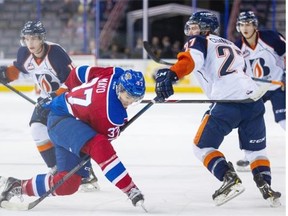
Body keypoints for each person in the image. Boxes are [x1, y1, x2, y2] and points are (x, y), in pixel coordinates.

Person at [154, 11, 281, 207]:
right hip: (253, 101)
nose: (192, 30)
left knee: (201, 147)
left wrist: (172, 74)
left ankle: (228, 178)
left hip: (227, 103)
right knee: (256, 151)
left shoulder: (198, 41)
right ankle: (267, 186)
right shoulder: (231, 45)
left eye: (196, 26)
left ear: (206, 28)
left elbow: (191, 61)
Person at [0, 66, 146, 208]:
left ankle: (17, 186)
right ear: (120, 88)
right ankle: (130, 189)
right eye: (128, 97)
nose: (130, 102)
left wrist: (59, 92)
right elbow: (103, 142)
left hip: (70, 122)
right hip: (63, 121)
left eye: (135, 99)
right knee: (99, 146)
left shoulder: (115, 73)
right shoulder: (112, 114)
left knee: (68, 184)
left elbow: (80, 72)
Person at [0, 20, 99, 191]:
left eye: (34, 38)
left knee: (69, 137)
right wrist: (5, 74)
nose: (30, 43)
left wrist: (54, 97)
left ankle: (87, 174)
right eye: (27, 38)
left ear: (42, 38)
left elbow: (72, 81)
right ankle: (56, 170)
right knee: (37, 129)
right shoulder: (24, 53)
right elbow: (18, 69)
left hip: (68, 100)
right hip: (47, 101)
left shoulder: (56, 54)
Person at [234, 11, 286, 172]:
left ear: (255, 26)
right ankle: (249, 155)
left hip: (278, 85)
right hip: (257, 89)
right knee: (248, 120)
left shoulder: (270, 37)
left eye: (248, 24)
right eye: (242, 24)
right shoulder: (237, 46)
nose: (245, 28)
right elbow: (237, 71)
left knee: (283, 119)